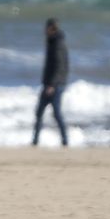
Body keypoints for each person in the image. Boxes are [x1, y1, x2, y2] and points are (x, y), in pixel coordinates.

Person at [34, 18, 70, 147]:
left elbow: (59, 66)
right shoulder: (52, 41)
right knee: (40, 112)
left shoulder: (57, 43)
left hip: (54, 85)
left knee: (56, 113)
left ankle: (65, 140)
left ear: (51, 28)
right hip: (52, 83)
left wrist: (52, 85)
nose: (44, 30)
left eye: (46, 28)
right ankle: (35, 141)